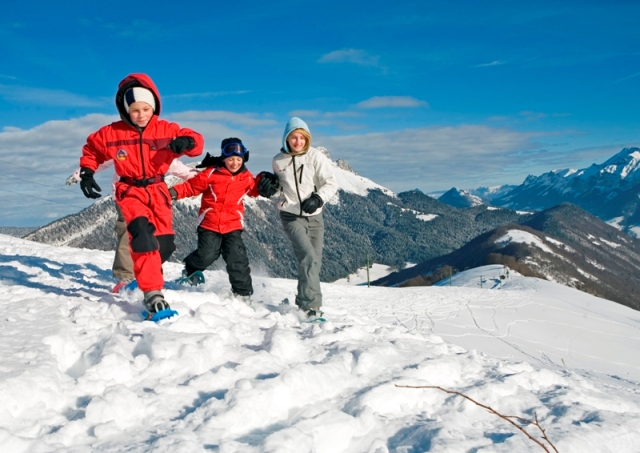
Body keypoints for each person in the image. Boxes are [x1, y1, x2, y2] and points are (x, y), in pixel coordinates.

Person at [78, 73, 204, 318]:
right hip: (130, 191)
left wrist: (186, 142)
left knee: (165, 245)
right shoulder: (112, 133)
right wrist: (86, 172)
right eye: (134, 110)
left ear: (154, 106)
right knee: (142, 237)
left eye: (146, 108)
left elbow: (196, 141)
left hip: (158, 191)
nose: (141, 114)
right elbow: (92, 149)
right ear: (125, 110)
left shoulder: (166, 130)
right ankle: (153, 294)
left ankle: (145, 275)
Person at [67, 159, 198, 292]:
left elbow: (176, 166)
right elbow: (102, 160)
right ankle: (125, 276)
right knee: (128, 233)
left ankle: (150, 272)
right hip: (126, 196)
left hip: (153, 198)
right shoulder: (124, 146)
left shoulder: (158, 149)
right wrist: (81, 174)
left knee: (157, 236)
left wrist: (204, 178)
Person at [169, 138, 276, 300]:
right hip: (209, 223)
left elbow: (254, 190)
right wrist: (173, 193)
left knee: (237, 258)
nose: (234, 163)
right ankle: (191, 268)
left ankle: (242, 293)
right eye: (231, 159)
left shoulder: (246, 177)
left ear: (243, 159)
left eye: (238, 159)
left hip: (233, 225)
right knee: (207, 254)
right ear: (224, 158)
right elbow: (191, 186)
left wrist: (264, 183)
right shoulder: (211, 173)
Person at [260, 117, 338, 319]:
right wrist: (270, 186)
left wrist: (318, 198)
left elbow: (330, 183)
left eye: (302, 138)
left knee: (314, 262)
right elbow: (281, 187)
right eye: (294, 137)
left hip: (315, 217)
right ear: (287, 138)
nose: (298, 142)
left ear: (307, 138)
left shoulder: (315, 157)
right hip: (291, 216)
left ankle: (306, 302)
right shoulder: (278, 160)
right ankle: (310, 307)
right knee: (308, 257)